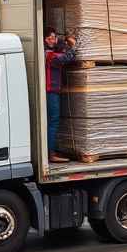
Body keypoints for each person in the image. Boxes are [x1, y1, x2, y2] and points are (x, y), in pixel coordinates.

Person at [44, 27, 76, 163]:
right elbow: (67, 58)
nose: (52, 40)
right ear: (44, 40)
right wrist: (73, 46)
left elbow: (61, 48)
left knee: (52, 121)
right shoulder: (49, 54)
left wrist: (65, 41)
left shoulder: (51, 51)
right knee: (53, 121)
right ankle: (50, 153)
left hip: (53, 91)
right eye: (49, 38)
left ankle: (52, 151)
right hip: (51, 91)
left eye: (54, 37)